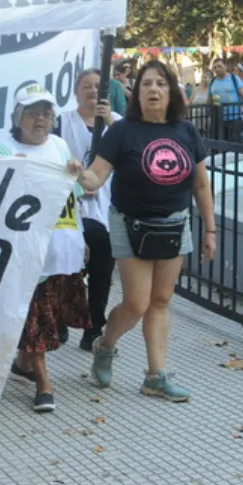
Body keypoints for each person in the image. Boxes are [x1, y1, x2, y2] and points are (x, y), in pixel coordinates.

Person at [79, 60, 217, 403]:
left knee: (161, 300)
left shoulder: (187, 132)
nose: (153, 90)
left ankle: (155, 376)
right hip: (130, 223)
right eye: (146, 84)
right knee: (137, 302)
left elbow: (201, 185)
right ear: (136, 93)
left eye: (160, 84)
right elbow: (97, 175)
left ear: (171, 91)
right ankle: (105, 344)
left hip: (174, 224)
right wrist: (81, 176)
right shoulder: (123, 131)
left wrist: (210, 230)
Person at [0, 85, 89, 412]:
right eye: (32, 112)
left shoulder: (61, 145)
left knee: (49, 320)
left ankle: (23, 365)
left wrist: (81, 239)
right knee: (36, 317)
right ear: (18, 116)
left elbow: (74, 194)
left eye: (46, 112)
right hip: (25, 253)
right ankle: (43, 383)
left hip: (63, 248)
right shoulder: (2, 147)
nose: (40, 119)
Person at [54, 69, 120, 351]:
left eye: (98, 86)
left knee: (102, 261)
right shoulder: (62, 122)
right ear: (76, 91)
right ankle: (59, 317)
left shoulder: (117, 124)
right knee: (66, 261)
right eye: (86, 86)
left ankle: (94, 324)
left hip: (106, 204)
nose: (93, 91)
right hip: (71, 204)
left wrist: (109, 122)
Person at [208, 59, 243, 143]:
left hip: (234, 118)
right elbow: (209, 100)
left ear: (225, 66)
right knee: (219, 145)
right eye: (215, 67)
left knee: (234, 146)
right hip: (218, 119)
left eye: (220, 66)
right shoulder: (212, 82)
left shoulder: (234, 79)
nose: (217, 69)